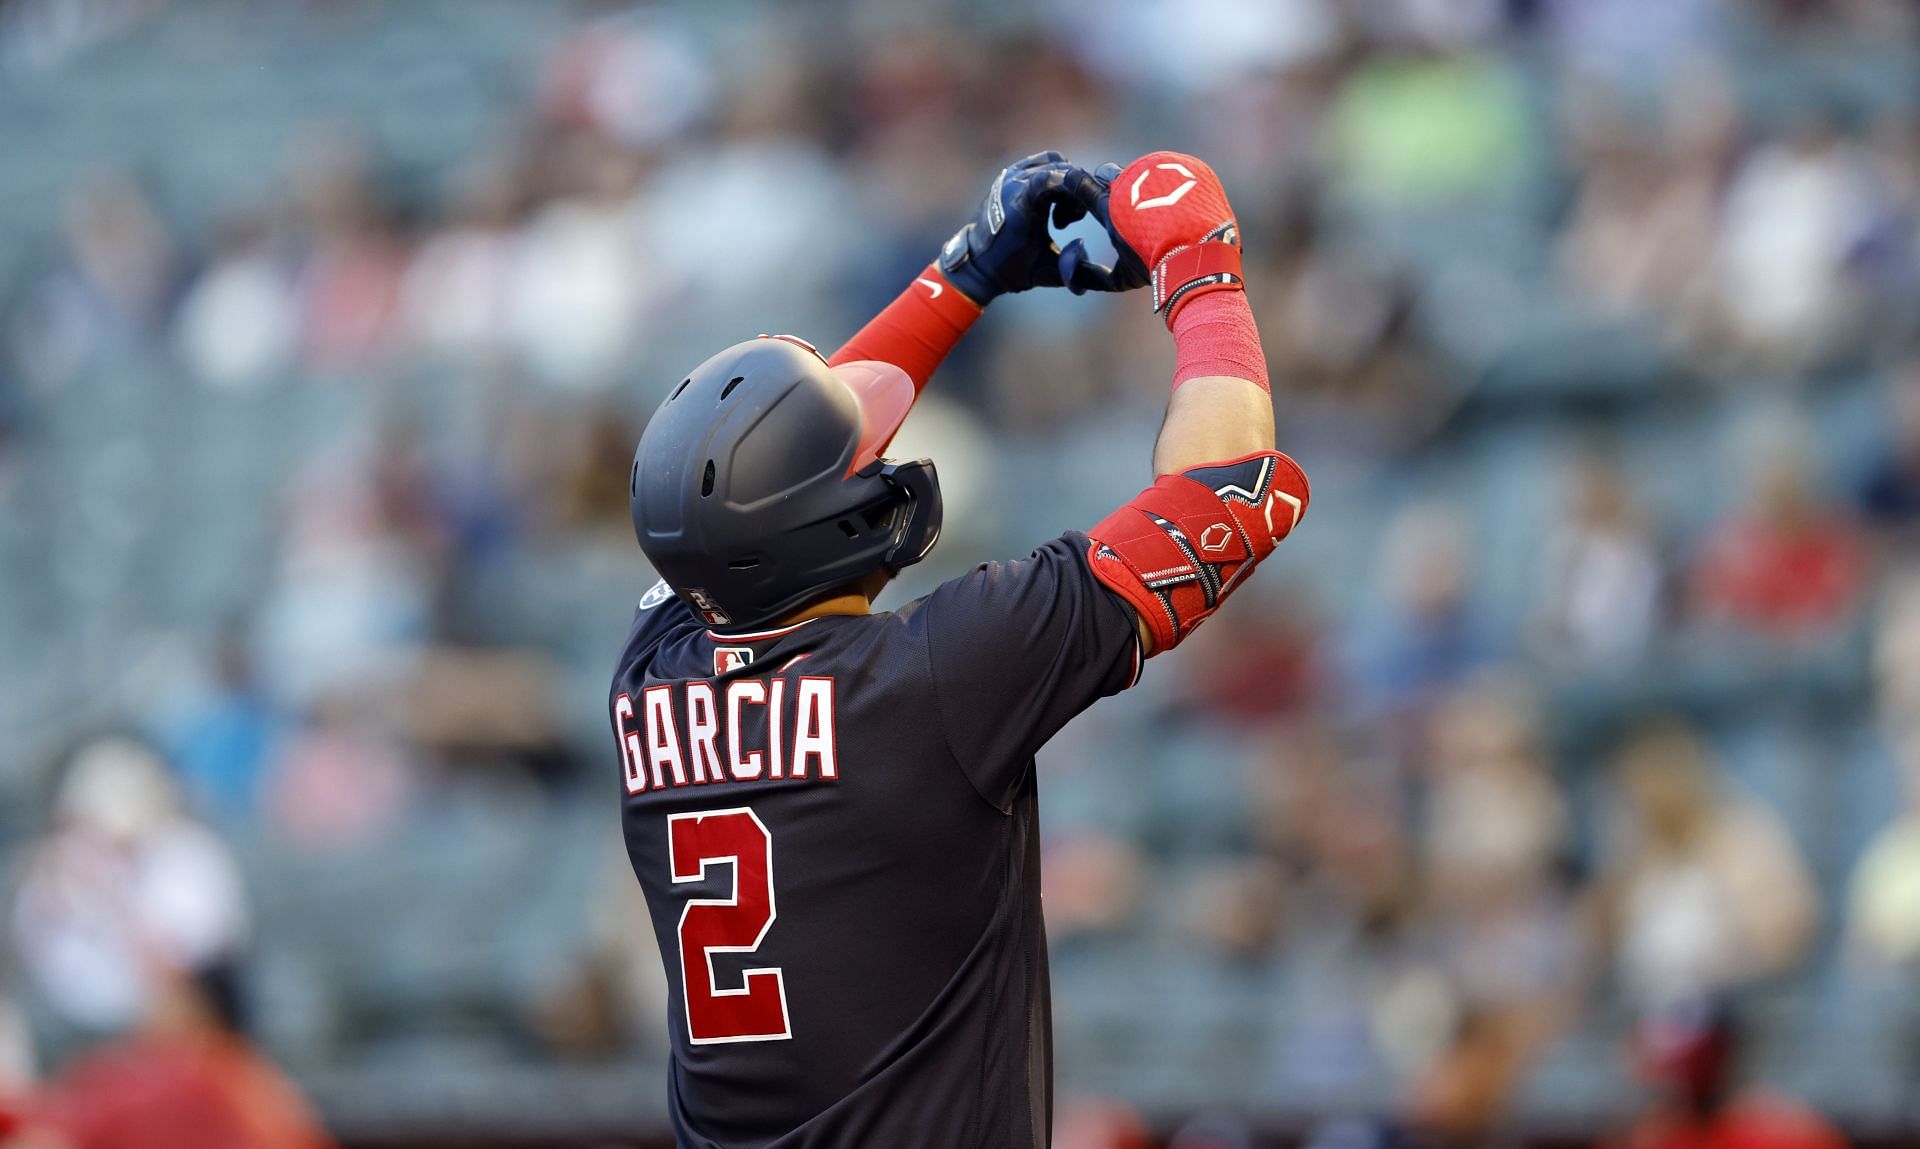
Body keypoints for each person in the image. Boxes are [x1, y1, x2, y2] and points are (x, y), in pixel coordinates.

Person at [610, 150, 1311, 1147]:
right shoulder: (933, 682)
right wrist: (1201, 267)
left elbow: (750, 488)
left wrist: (969, 273)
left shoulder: (649, 675)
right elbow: (1233, 488)